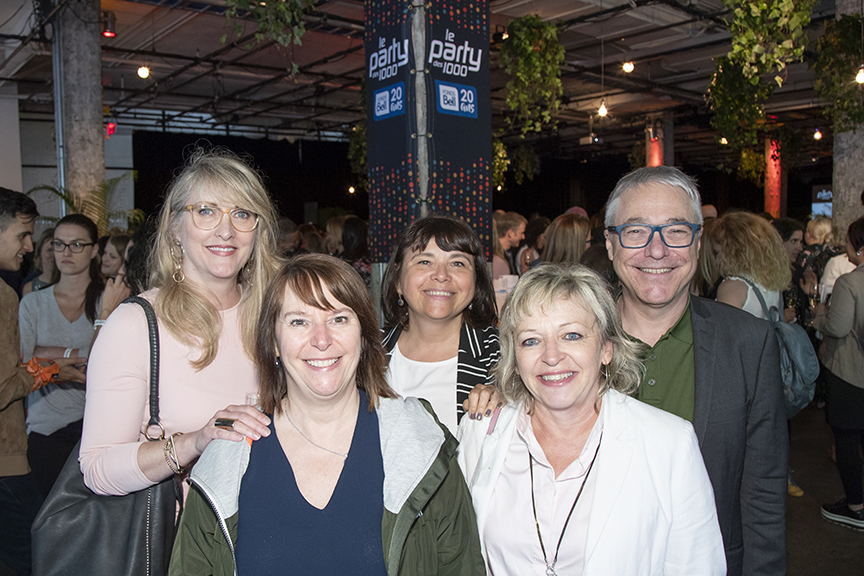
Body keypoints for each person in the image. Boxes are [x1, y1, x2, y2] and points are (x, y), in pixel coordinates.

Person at [169, 254, 484, 576]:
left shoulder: (421, 445)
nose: (321, 340)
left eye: (339, 319)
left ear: (363, 335)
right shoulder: (230, 455)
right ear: (273, 342)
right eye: (299, 321)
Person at [458, 264, 725, 575]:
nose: (552, 356)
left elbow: (696, 566)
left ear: (606, 349)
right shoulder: (481, 431)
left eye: (571, 335)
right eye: (531, 340)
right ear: (514, 359)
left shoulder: (669, 444)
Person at [603, 166, 787, 576]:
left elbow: (763, 492)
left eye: (676, 231)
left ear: (698, 243)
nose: (656, 250)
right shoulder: (572, 342)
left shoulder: (748, 342)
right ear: (611, 245)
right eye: (636, 231)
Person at [79, 149, 278, 498]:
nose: (226, 230)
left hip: (271, 520)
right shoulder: (136, 324)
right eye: (206, 211)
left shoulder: (279, 315)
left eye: (242, 213)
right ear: (175, 228)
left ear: (257, 230)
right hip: (181, 529)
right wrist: (195, 442)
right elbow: (98, 469)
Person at [0, 188, 83, 576]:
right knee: (40, 555)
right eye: (22, 235)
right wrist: (48, 371)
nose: (30, 247)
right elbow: (4, 385)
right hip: (8, 454)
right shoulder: (6, 295)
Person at [381, 215, 498, 434]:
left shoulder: (503, 356)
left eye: (457, 263)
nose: (442, 275)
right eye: (424, 262)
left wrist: (511, 403)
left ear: (476, 281)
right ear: (397, 280)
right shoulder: (365, 353)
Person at [18, 213, 103, 497]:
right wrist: (79, 354)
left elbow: (107, 361)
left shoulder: (107, 300)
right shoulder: (33, 302)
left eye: (77, 244)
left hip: (95, 426)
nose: (66, 252)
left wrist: (47, 353)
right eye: (59, 244)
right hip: (45, 428)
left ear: (94, 250)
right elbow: (23, 362)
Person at [812, 217, 864, 530]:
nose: (845, 248)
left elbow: (838, 327)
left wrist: (819, 317)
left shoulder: (850, 283)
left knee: (846, 441)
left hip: (851, 373)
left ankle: (856, 507)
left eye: (848, 242)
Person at [714, 211, 789, 317]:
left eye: (718, 252)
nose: (717, 259)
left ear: (732, 251)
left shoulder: (733, 288)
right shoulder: (772, 281)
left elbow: (726, 327)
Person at [21, 228, 55, 296]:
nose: (53, 255)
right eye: (49, 250)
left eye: (57, 250)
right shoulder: (29, 288)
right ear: (40, 253)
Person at [492, 211, 525, 278]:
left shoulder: (508, 254)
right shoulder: (497, 258)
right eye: (522, 233)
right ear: (510, 233)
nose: (523, 237)